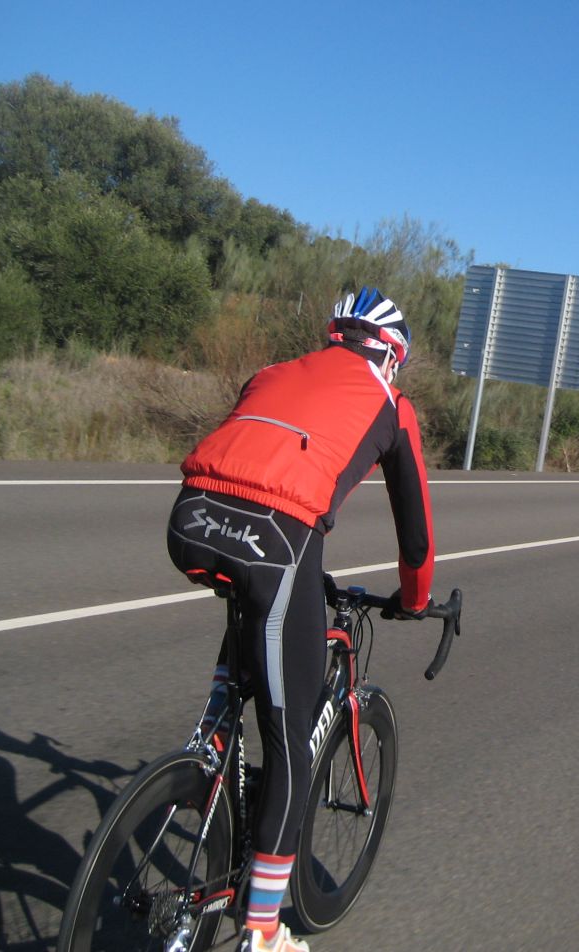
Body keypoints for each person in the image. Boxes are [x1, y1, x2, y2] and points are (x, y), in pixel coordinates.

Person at [166, 287, 435, 952]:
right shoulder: (391, 403)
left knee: (253, 607)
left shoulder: (273, 372)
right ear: (392, 355)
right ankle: (262, 931)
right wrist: (415, 599)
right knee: (289, 742)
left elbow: (253, 455)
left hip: (190, 519)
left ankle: (211, 739)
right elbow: (416, 536)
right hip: (277, 542)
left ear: (335, 336)